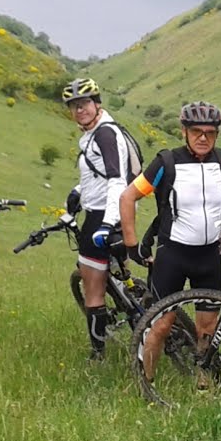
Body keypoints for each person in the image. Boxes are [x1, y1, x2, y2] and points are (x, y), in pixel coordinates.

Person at [118, 101, 221, 379]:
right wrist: (131, 245)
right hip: (173, 256)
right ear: (184, 131)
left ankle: (204, 384)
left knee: (207, 328)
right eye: (196, 131)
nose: (203, 137)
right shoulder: (166, 162)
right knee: (162, 325)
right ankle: (146, 382)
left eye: (210, 132)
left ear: (217, 134)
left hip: (209, 258)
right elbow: (128, 197)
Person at [59, 77, 142, 361]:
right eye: (74, 106)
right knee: (121, 278)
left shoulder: (105, 134)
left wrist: (107, 223)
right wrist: (78, 192)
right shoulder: (99, 133)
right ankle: (140, 321)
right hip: (110, 213)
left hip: (103, 217)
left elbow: (117, 181)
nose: (79, 110)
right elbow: (101, 177)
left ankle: (98, 355)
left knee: (92, 289)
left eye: (84, 104)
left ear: (97, 104)